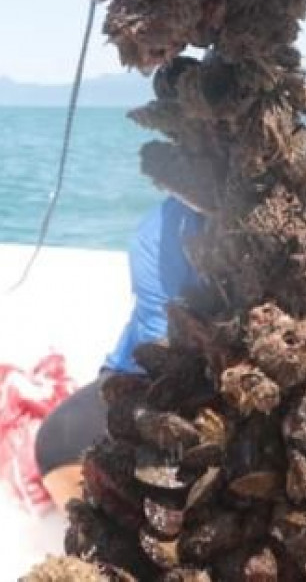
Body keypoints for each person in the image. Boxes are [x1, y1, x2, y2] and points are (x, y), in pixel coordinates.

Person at [35, 195, 203, 507]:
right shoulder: (160, 234)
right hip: (145, 383)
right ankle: (95, 527)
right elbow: (162, 356)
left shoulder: (298, 225)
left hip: (247, 397)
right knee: (58, 441)